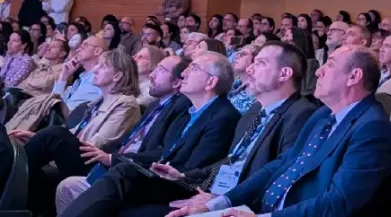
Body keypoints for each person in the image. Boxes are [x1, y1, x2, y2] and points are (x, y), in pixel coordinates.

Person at [167, 46, 391, 217]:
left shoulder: (372, 128)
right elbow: (281, 164)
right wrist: (219, 203)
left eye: (330, 65)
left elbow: (340, 202)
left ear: (354, 77)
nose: (318, 72)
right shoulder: (322, 115)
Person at [125, 41, 318, 215]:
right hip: (213, 193)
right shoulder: (254, 111)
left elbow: (278, 174)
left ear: (284, 74)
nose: (249, 69)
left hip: (243, 205)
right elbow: (230, 161)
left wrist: (222, 200)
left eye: (261, 63)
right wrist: (184, 176)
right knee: (126, 201)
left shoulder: (301, 114)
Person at [61, 52, 241, 217]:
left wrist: (169, 172)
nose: (184, 73)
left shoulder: (224, 117)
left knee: (124, 173)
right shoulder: (189, 111)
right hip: (163, 177)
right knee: (117, 178)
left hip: (183, 186)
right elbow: (166, 151)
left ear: (210, 82)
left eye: (193, 68)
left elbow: (198, 169)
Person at [54, 55, 193, 214]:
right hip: (116, 165)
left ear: (177, 82)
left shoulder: (180, 107)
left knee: (55, 136)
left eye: (160, 70)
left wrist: (112, 158)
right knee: (66, 186)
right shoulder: (155, 105)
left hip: (131, 172)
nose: (151, 75)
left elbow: (162, 152)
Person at [16, 50, 141, 215]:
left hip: (97, 164)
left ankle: (8, 171)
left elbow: (101, 143)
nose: (95, 70)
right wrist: (38, 137)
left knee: (54, 134)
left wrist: (53, 140)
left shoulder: (127, 105)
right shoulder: (97, 103)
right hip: (82, 155)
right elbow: (73, 133)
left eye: (102, 66)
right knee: (36, 174)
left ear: (117, 76)